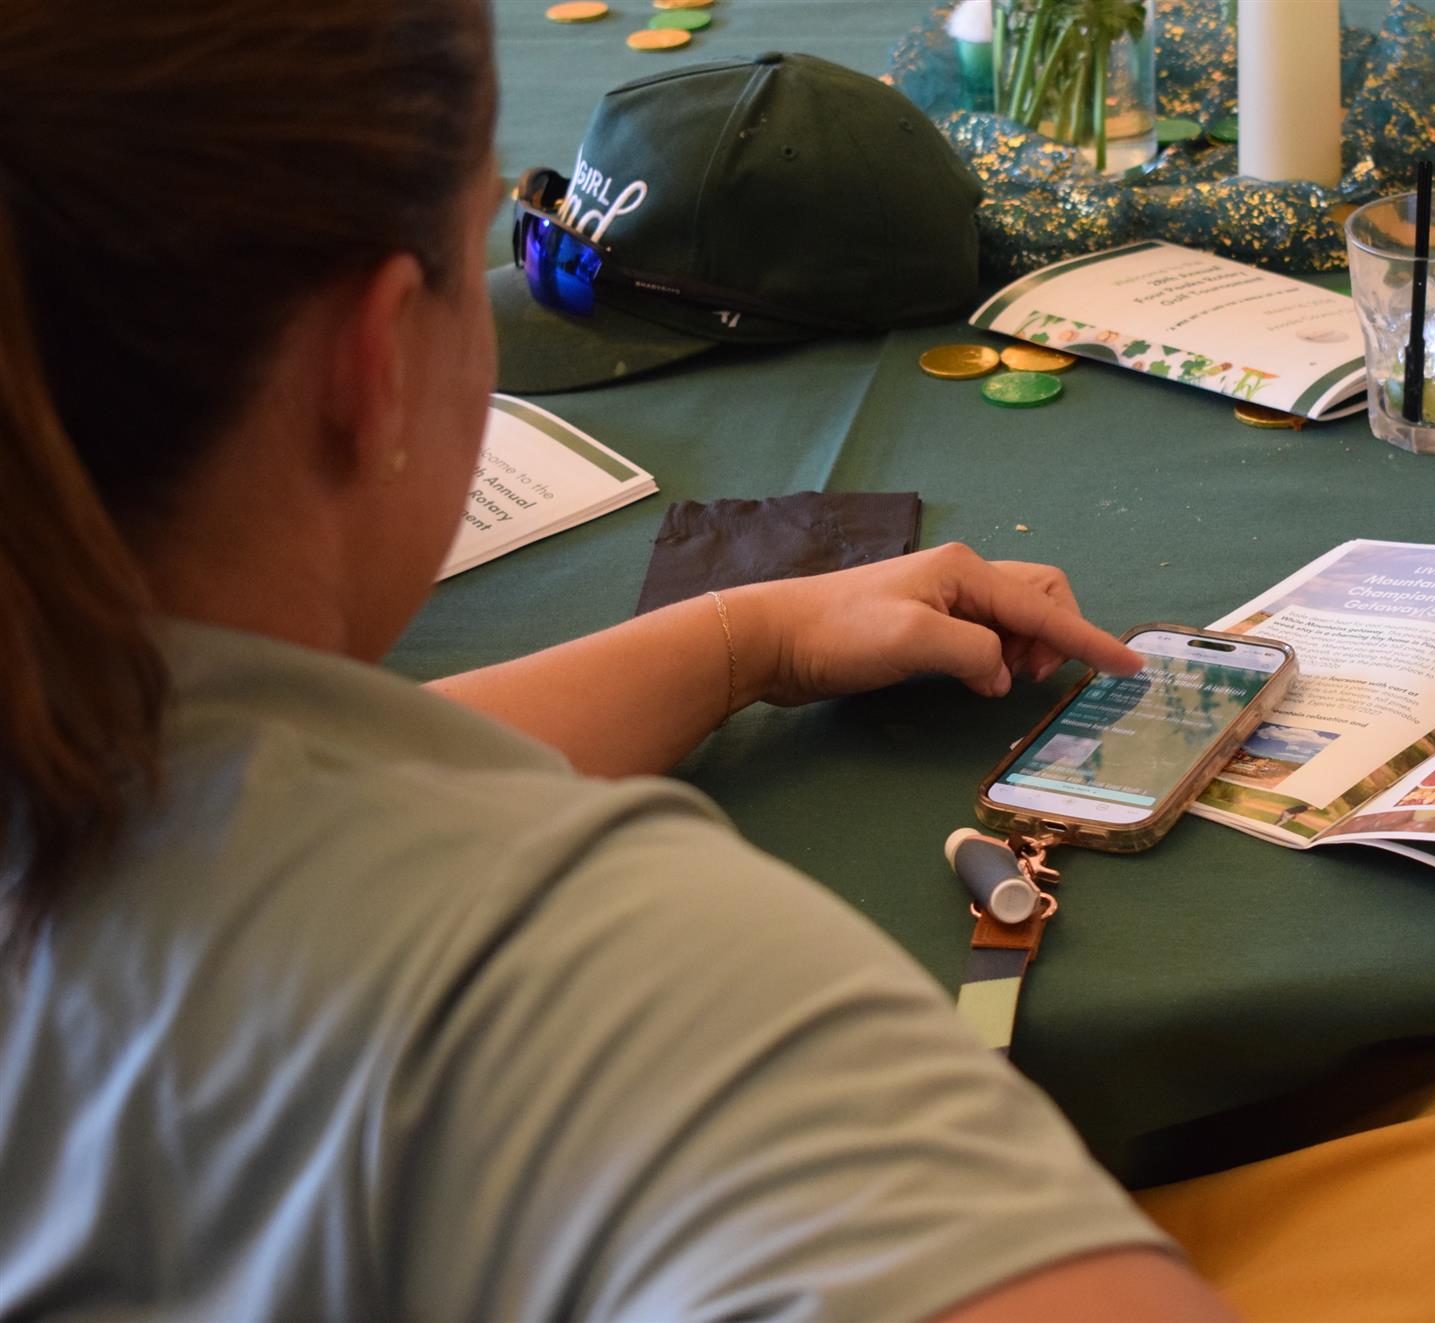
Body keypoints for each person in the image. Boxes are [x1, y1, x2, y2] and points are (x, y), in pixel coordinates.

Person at [0, 1, 1236, 1319]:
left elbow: (264, 773)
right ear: (370, 369)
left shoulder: (73, 720)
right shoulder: (602, 984)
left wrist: (751, 637)